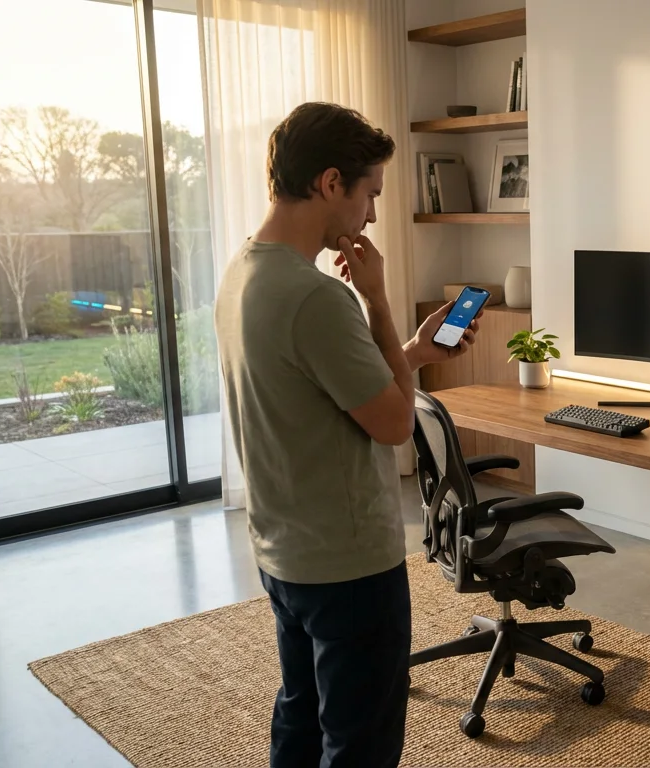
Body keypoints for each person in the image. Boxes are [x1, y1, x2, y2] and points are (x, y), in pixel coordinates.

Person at [214, 101, 478, 768]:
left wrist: (412, 354)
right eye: (370, 194)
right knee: (361, 744)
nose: (371, 215)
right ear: (331, 183)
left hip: (285, 550)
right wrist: (379, 303)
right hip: (348, 562)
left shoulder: (242, 272)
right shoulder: (318, 297)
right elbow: (393, 423)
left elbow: (325, 389)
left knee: (302, 716)